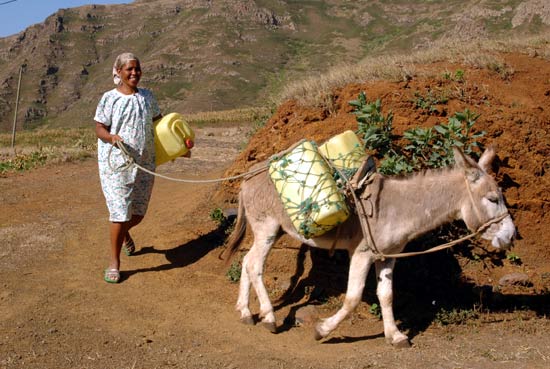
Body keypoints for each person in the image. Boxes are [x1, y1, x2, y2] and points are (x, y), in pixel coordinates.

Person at [94, 52, 161, 283]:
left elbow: (160, 125)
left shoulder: (148, 97)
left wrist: (180, 145)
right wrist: (111, 137)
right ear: (119, 72)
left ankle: (124, 234)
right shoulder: (109, 98)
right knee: (120, 212)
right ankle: (114, 262)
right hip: (116, 163)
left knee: (138, 213)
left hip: (144, 161)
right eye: (129, 69)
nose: (134, 73)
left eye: (137, 68)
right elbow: (99, 127)